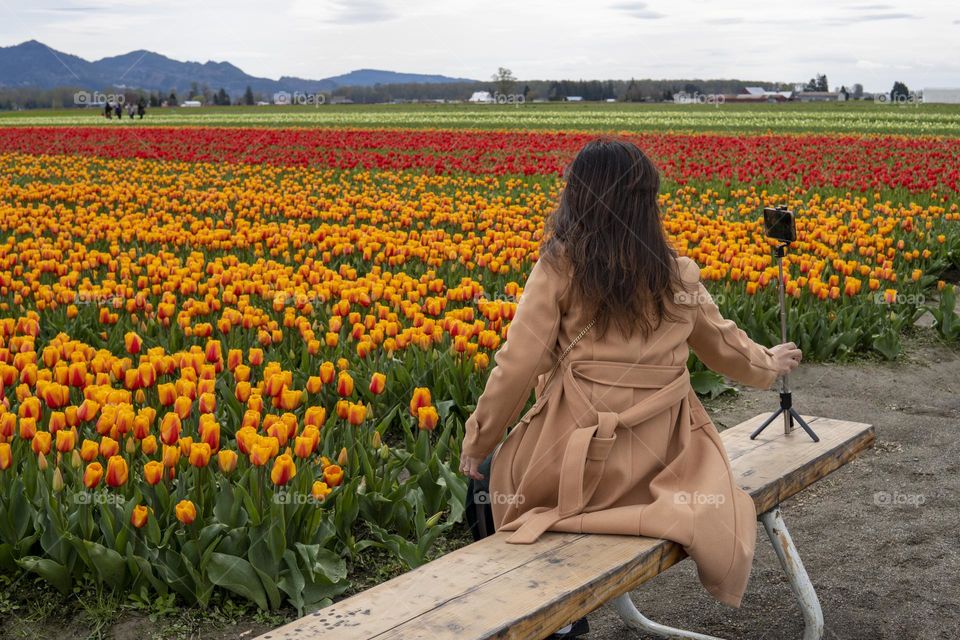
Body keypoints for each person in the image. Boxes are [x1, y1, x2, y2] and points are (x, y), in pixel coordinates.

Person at [458, 138, 802, 638]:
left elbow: (516, 364)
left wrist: (479, 439)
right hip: (664, 467)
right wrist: (770, 363)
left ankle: (550, 619)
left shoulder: (558, 267)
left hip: (576, 465)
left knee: (487, 485)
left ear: (575, 196)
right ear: (647, 203)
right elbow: (724, 346)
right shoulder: (675, 272)